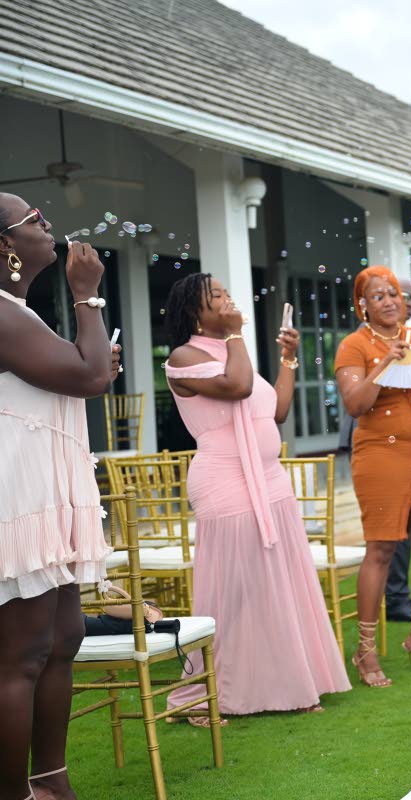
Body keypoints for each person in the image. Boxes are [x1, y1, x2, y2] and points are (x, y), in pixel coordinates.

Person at [161, 273, 349, 719]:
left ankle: (289, 684)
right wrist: (236, 335)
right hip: (226, 481)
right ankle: (208, 692)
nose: (228, 300)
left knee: (277, 587)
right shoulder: (183, 356)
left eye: (228, 293)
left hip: (270, 481)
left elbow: (277, 411)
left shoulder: (232, 351)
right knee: (234, 591)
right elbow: (237, 387)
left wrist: (288, 360)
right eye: (217, 296)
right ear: (194, 311)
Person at [0, 195, 120, 800]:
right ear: (5, 245)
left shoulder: (18, 311)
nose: (48, 227)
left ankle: (51, 779)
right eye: (34, 221)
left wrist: (92, 352)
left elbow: (83, 372)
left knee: (63, 638)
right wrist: (87, 294)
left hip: (44, 497)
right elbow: (93, 377)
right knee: (21, 655)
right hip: (16, 501)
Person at [335, 266, 411, 683]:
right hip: (379, 457)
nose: (389, 301)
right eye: (378, 295)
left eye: (394, 294)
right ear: (362, 305)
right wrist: (384, 362)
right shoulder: (353, 345)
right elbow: (355, 404)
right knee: (382, 550)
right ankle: (365, 653)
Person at [384, 277, 411, 623]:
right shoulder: (377, 336)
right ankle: (394, 598)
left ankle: (406, 593)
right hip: (383, 439)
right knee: (394, 525)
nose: (408, 303)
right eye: (404, 297)